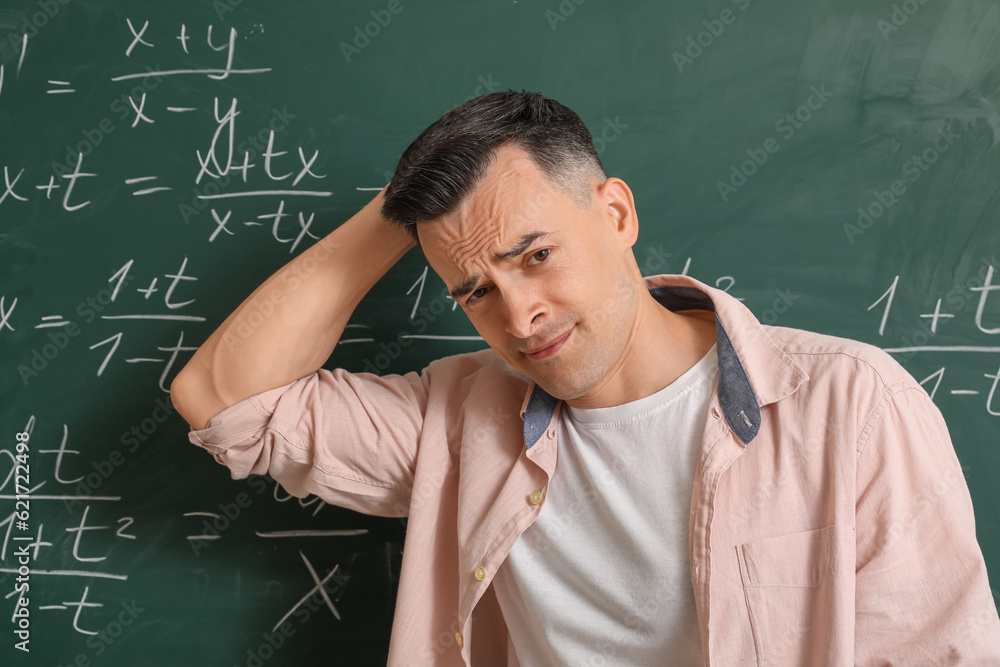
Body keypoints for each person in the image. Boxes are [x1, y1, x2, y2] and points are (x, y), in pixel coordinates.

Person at [170, 90, 1000, 666]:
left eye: (535, 255)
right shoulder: (456, 423)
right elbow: (222, 399)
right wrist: (408, 205)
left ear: (616, 214)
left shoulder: (850, 405)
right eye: (475, 291)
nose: (520, 314)